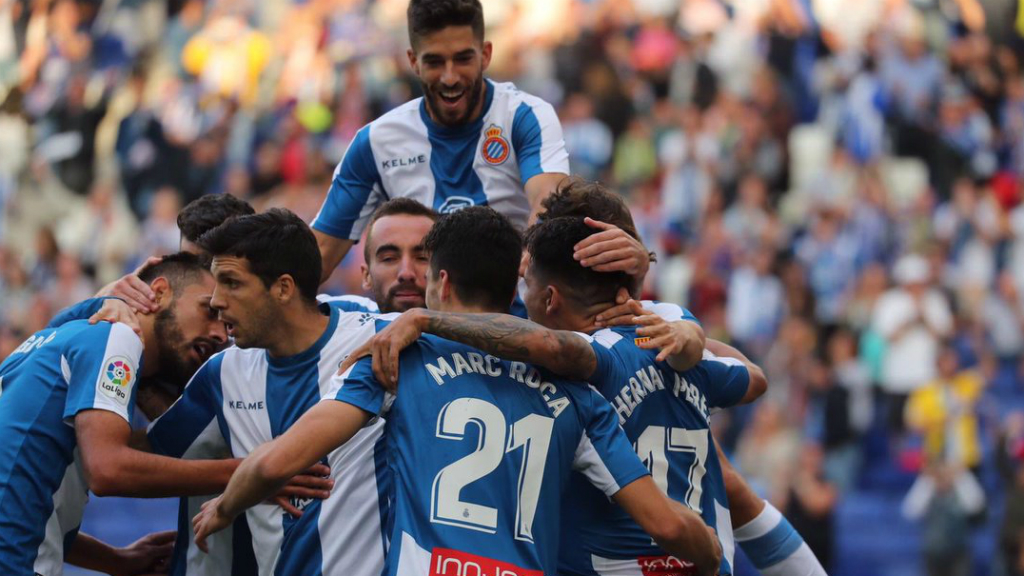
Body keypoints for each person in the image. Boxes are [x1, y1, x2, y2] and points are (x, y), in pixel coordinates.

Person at [194, 207, 723, 576]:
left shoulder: (396, 359)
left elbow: (273, 464)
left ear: (441, 283)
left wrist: (222, 509)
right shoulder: (579, 396)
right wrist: (711, 551)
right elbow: (668, 525)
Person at [362, 180, 828, 576]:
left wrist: (425, 318)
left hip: (602, 558)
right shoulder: (666, 322)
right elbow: (750, 376)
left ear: (549, 292)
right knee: (726, 479)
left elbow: (544, 341)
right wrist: (683, 327)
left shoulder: (579, 353)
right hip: (692, 548)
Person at [139, 209, 397, 575]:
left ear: (283, 288)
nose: (216, 301)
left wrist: (424, 319)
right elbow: (140, 459)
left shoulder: (380, 337)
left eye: (231, 282)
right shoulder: (222, 373)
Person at [0, 253, 236, 575]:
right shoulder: (118, 334)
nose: (220, 334)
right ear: (160, 292)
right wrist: (252, 473)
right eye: (208, 311)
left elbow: (28, 504)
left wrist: (115, 560)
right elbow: (107, 468)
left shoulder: (39, 344)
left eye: (226, 324)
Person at [310, 0, 572, 283]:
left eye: (462, 59)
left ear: (485, 55)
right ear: (413, 62)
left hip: (515, 319)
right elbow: (318, 255)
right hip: (420, 321)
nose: (450, 77)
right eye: (434, 62)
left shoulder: (524, 117)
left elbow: (550, 208)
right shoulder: (375, 141)